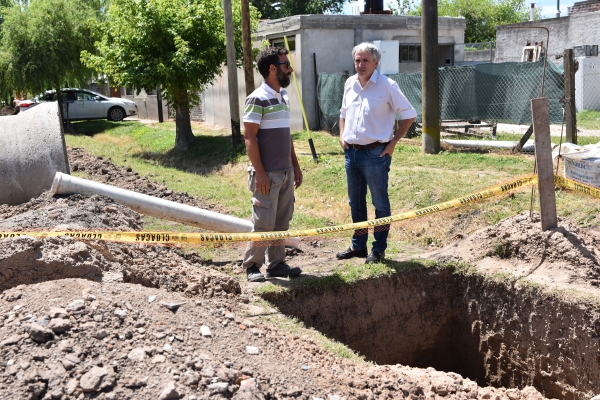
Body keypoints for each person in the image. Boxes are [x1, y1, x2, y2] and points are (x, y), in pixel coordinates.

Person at [336, 42, 417, 264]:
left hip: (375, 154)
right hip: (351, 154)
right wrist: (342, 135)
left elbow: (409, 114)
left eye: (365, 61)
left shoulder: (387, 86)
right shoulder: (350, 83)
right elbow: (343, 112)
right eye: (357, 60)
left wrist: (392, 144)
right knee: (356, 202)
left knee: (380, 203)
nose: (360, 65)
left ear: (376, 63)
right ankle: (358, 246)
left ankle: (378, 249)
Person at [242, 47, 303, 282]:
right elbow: (250, 138)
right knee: (263, 224)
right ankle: (252, 266)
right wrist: (260, 173)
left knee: (280, 223)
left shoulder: (283, 96)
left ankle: (277, 264)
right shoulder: (257, 98)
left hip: (285, 172)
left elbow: (285, 136)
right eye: (286, 65)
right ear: (272, 68)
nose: (290, 69)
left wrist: (295, 167)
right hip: (267, 173)